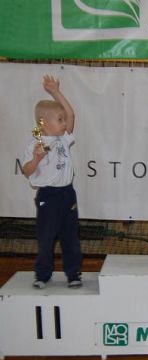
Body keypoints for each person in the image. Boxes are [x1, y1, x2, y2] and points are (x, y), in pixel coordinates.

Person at [22, 75, 82, 289]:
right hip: (48, 196)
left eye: (64, 120)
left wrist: (55, 92)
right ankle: (42, 274)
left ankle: (73, 274)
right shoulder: (34, 144)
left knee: (70, 237)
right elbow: (26, 171)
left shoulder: (63, 139)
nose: (65, 123)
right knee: (46, 237)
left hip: (67, 194)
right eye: (60, 120)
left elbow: (71, 114)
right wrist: (36, 159)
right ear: (43, 123)